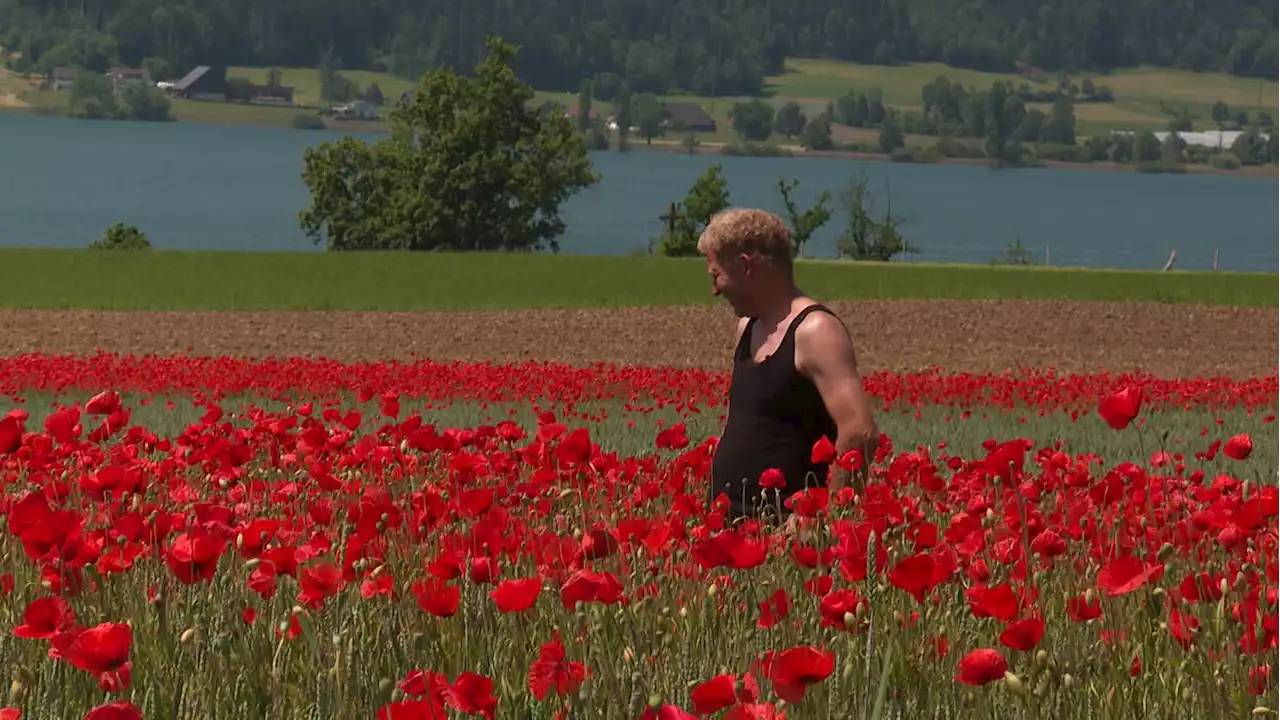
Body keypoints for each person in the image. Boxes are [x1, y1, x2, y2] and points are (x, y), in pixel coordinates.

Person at [700, 207, 879, 523]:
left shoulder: (816, 331)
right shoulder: (748, 327)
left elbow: (859, 433)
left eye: (717, 275)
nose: (714, 290)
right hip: (730, 522)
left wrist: (822, 518)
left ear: (745, 266)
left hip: (786, 531)